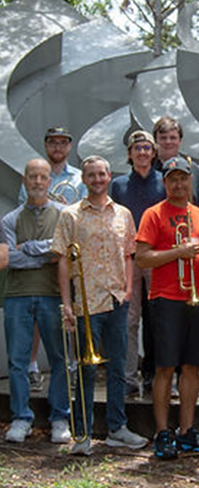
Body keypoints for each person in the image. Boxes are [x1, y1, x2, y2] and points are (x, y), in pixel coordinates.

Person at [52, 155, 147, 456]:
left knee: (118, 368)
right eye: (91, 175)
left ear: (109, 177)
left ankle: (117, 428)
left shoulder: (123, 214)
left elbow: (129, 254)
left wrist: (129, 289)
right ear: (84, 180)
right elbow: (63, 261)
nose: (96, 179)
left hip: (116, 300)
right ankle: (83, 433)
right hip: (86, 304)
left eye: (101, 174)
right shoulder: (70, 215)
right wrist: (67, 303)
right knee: (86, 372)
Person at [136, 156, 199, 460]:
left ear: (191, 181)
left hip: (198, 300)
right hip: (166, 299)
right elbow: (142, 258)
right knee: (165, 367)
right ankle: (162, 432)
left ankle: (186, 431)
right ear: (165, 182)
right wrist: (178, 251)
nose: (179, 184)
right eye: (173, 179)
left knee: (192, 366)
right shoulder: (153, 214)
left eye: (184, 178)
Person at [2, 159, 70, 444]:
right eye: (33, 177)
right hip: (17, 295)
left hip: (52, 293)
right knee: (17, 361)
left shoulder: (63, 214)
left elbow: (61, 251)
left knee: (59, 360)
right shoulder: (9, 219)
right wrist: (46, 253)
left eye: (43, 176)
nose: (38, 181)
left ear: (49, 181)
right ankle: (20, 417)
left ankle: (59, 417)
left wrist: (29, 248)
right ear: (24, 181)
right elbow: (7, 259)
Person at [18, 127, 88, 392]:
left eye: (62, 143)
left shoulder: (79, 178)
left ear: (69, 147)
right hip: (41, 257)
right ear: (46, 145)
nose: (58, 148)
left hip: (69, 254)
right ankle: (33, 365)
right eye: (53, 143)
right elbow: (27, 214)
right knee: (38, 310)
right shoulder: (35, 176)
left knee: (70, 311)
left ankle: (72, 365)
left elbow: (81, 217)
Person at [110, 130, 166, 397]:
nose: (142, 152)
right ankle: (129, 376)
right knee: (129, 319)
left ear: (153, 153)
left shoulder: (164, 181)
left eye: (146, 148)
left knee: (158, 318)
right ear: (130, 154)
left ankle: (156, 375)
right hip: (128, 259)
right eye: (137, 148)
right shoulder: (119, 185)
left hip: (158, 257)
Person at [152, 116, 199, 208]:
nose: (168, 142)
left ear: (180, 141)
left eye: (173, 138)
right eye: (163, 138)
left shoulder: (193, 169)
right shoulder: (149, 170)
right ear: (155, 141)